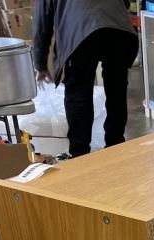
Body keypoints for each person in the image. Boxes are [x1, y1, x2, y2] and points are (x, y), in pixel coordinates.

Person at [33, 0, 139, 158]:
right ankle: (116, 146)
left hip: (81, 31)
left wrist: (40, 65)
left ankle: (80, 154)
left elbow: (42, 23)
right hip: (119, 29)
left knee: (78, 94)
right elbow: (125, 3)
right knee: (116, 91)